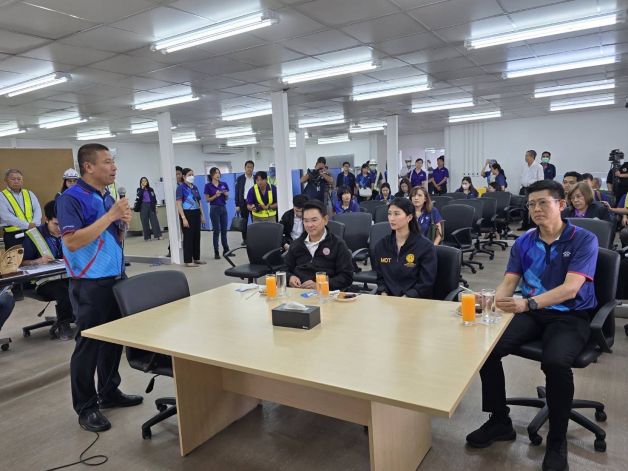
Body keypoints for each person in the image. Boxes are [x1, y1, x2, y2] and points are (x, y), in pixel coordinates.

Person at [465, 179, 598, 471]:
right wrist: (486, 303)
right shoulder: (524, 242)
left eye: (542, 203)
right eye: (531, 204)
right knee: (488, 350)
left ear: (561, 204)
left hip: (571, 314)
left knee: (555, 362)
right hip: (532, 313)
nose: (536, 209)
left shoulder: (583, 239)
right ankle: (500, 421)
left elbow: (571, 289)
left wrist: (529, 303)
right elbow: (509, 282)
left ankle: (557, 441)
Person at [56, 143, 142, 433]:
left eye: (113, 161)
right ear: (88, 166)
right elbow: (72, 242)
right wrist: (111, 216)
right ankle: (86, 406)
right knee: (89, 344)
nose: (113, 167)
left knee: (113, 340)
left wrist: (122, 224)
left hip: (115, 277)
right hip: (89, 282)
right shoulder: (71, 198)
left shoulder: (106, 196)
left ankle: (109, 391)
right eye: (107, 162)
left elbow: (112, 238)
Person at [21, 201, 74, 340]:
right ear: (46, 219)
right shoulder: (33, 236)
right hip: (41, 282)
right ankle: (64, 323)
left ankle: (80, 318)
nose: (60, 228)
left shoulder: (69, 231)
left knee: (85, 285)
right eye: (56, 224)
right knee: (63, 291)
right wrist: (37, 261)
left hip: (66, 275)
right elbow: (20, 263)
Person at [372, 197, 437, 298]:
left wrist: (406, 297)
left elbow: (426, 283)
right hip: (388, 300)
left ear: (409, 217)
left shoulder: (425, 247)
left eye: (396, 214)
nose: (391, 218)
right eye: (389, 213)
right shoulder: (382, 245)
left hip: (414, 301)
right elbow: (381, 278)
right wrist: (383, 292)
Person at [285, 200, 353, 291]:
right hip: (298, 293)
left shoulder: (337, 244)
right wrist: (290, 277)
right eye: (306, 221)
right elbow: (284, 268)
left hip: (326, 294)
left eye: (314, 220)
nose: (309, 225)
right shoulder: (297, 244)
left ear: (325, 220)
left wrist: (322, 284)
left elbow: (347, 277)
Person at [0, 168, 42, 249]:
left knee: (34, 256)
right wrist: (27, 225)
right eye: (13, 179)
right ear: (6, 180)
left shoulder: (29, 193)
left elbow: (37, 210)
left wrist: (34, 223)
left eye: (19, 179)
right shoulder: (2, 196)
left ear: (22, 180)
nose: (16, 181)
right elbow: (6, 217)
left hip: (32, 232)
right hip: (13, 236)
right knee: (16, 257)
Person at [176, 168, 205, 267]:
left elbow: (199, 201)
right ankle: (188, 260)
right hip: (187, 213)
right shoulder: (181, 188)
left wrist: (202, 215)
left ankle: (196, 258)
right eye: (189, 175)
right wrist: (183, 218)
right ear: (184, 177)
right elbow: (179, 203)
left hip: (196, 213)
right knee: (188, 237)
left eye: (192, 174)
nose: (192, 176)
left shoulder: (194, 187)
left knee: (197, 236)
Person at [204, 167, 230, 260]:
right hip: (214, 208)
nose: (218, 174)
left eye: (219, 173)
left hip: (223, 208)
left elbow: (226, 198)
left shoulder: (223, 184)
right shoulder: (208, 186)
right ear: (212, 175)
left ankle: (226, 251)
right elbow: (207, 200)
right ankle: (216, 252)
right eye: (216, 173)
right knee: (216, 231)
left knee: (224, 230)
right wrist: (216, 195)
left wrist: (226, 195)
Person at [518, 150, 545, 230]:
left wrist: (538, 191)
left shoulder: (538, 166)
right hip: (524, 189)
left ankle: (533, 226)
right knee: (524, 208)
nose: (525, 157)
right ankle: (524, 225)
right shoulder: (525, 166)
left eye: (527, 156)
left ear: (532, 156)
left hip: (533, 189)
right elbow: (522, 177)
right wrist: (521, 187)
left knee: (533, 207)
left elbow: (540, 180)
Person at [134, 177, 162, 241]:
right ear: (141, 182)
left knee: (154, 221)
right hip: (143, 206)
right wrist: (142, 189)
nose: (144, 182)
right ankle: (147, 237)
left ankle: (158, 235)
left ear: (147, 182)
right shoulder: (139, 190)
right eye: (143, 181)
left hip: (151, 205)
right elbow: (138, 197)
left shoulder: (151, 189)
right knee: (145, 222)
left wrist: (155, 206)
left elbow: (154, 198)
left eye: (145, 181)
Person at [235, 160, 255, 246]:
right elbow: (237, 192)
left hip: (254, 203)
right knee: (244, 222)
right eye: (248, 167)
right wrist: (237, 205)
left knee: (255, 222)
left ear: (253, 168)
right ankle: (245, 239)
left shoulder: (256, 178)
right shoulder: (240, 179)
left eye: (251, 167)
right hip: (243, 203)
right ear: (245, 168)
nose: (249, 169)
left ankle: (255, 238)